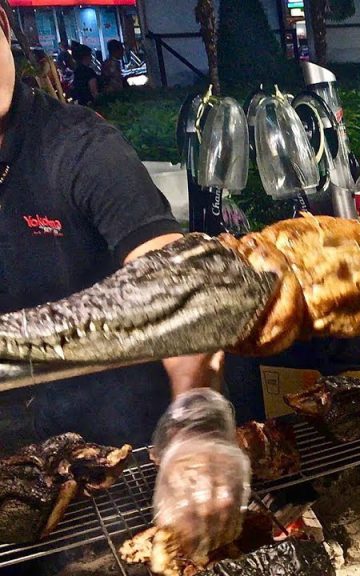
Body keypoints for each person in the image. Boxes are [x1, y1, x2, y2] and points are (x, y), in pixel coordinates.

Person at [0, 9, 245, 561]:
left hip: (121, 451)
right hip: (16, 458)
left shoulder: (79, 147)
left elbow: (174, 281)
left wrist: (195, 412)